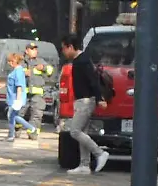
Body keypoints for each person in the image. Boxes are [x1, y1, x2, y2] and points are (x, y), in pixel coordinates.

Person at [59, 35, 111, 175]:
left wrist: (100, 98)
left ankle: (99, 153)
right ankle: (84, 164)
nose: (63, 52)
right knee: (83, 132)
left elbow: (93, 80)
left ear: (70, 46)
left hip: (86, 101)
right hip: (82, 100)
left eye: (64, 48)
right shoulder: (80, 60)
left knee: (74, 131)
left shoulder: (82, 61)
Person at [19, 41, 53, 139]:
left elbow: (50, 70)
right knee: (18, 114)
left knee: (37, 115)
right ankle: (16, 131)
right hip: (23, 94)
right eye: (32, 49)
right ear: (27, 50)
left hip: (37, 95)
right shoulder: (21, 62)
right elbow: (16, 72)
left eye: (35, 49)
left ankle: (33, 134)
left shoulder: (40, 61)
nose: (35, 51)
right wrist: (25, 72)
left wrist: (44, 68)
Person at [3, 52, 29, 139]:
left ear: (13, 62)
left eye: (9, 61)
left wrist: (18, 101)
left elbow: (19, 86)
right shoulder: (16, 71)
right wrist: (3, 85)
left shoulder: (18, 71)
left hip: (15, 99)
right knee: (14, 116)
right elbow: (12, 83)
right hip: (12, 98)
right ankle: (31, 128)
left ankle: (11, 135)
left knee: (11, 116)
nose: (8, 63)